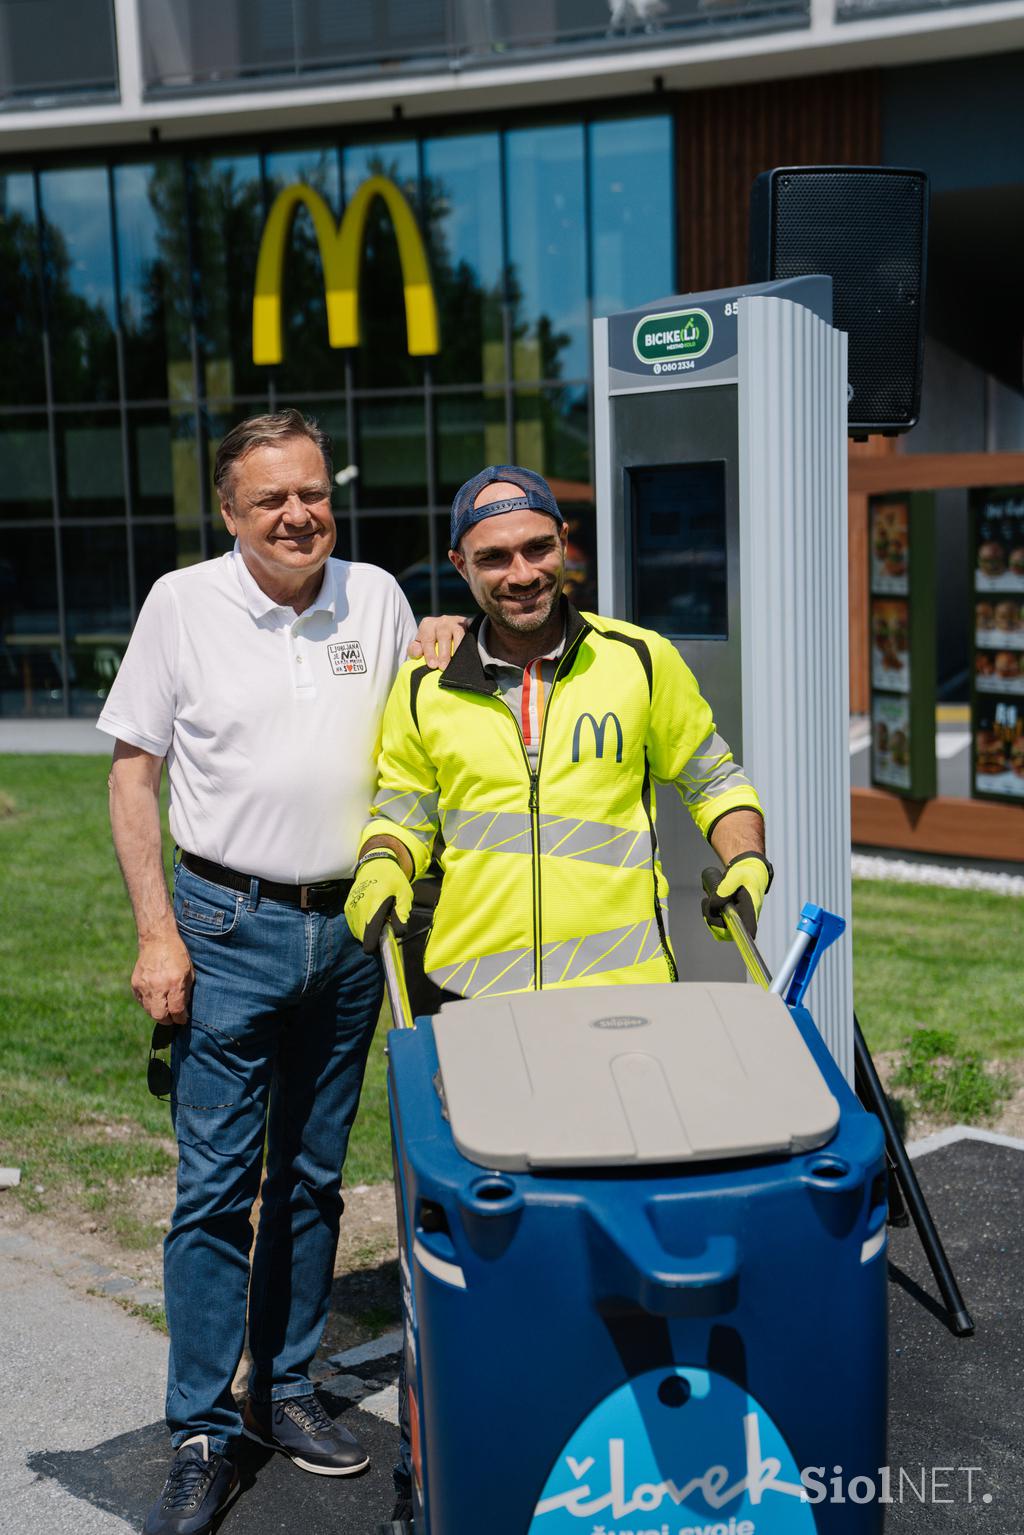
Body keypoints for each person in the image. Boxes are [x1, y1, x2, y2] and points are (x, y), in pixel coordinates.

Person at [343, 464, 771, 1522]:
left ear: (565, 543)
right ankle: (445, 1467)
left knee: (624, 1242)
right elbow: (402, 804)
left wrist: (743, 856)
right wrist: (384, 867)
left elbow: (714, 775)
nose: (522, 571)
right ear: (461, 567)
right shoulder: (421, 683)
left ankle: (630, 1469)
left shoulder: (637, 659)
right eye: (495, 556)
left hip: (625, 1016)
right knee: (465, 1266)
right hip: (471, 1020)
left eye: (538, 548)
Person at [98, 410, 463, 1535]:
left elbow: (420, 725)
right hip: (227, 922)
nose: (300, 514)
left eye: (312, 492)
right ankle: (203, 1426)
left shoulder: (376, 594)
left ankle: (287, 1386)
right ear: (230, 513)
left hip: (353, 927)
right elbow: (131, 775)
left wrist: (443, 639)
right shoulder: (182, 602)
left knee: (309, 1178)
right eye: (272, 501)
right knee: (215, 1187)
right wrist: (158, 932)